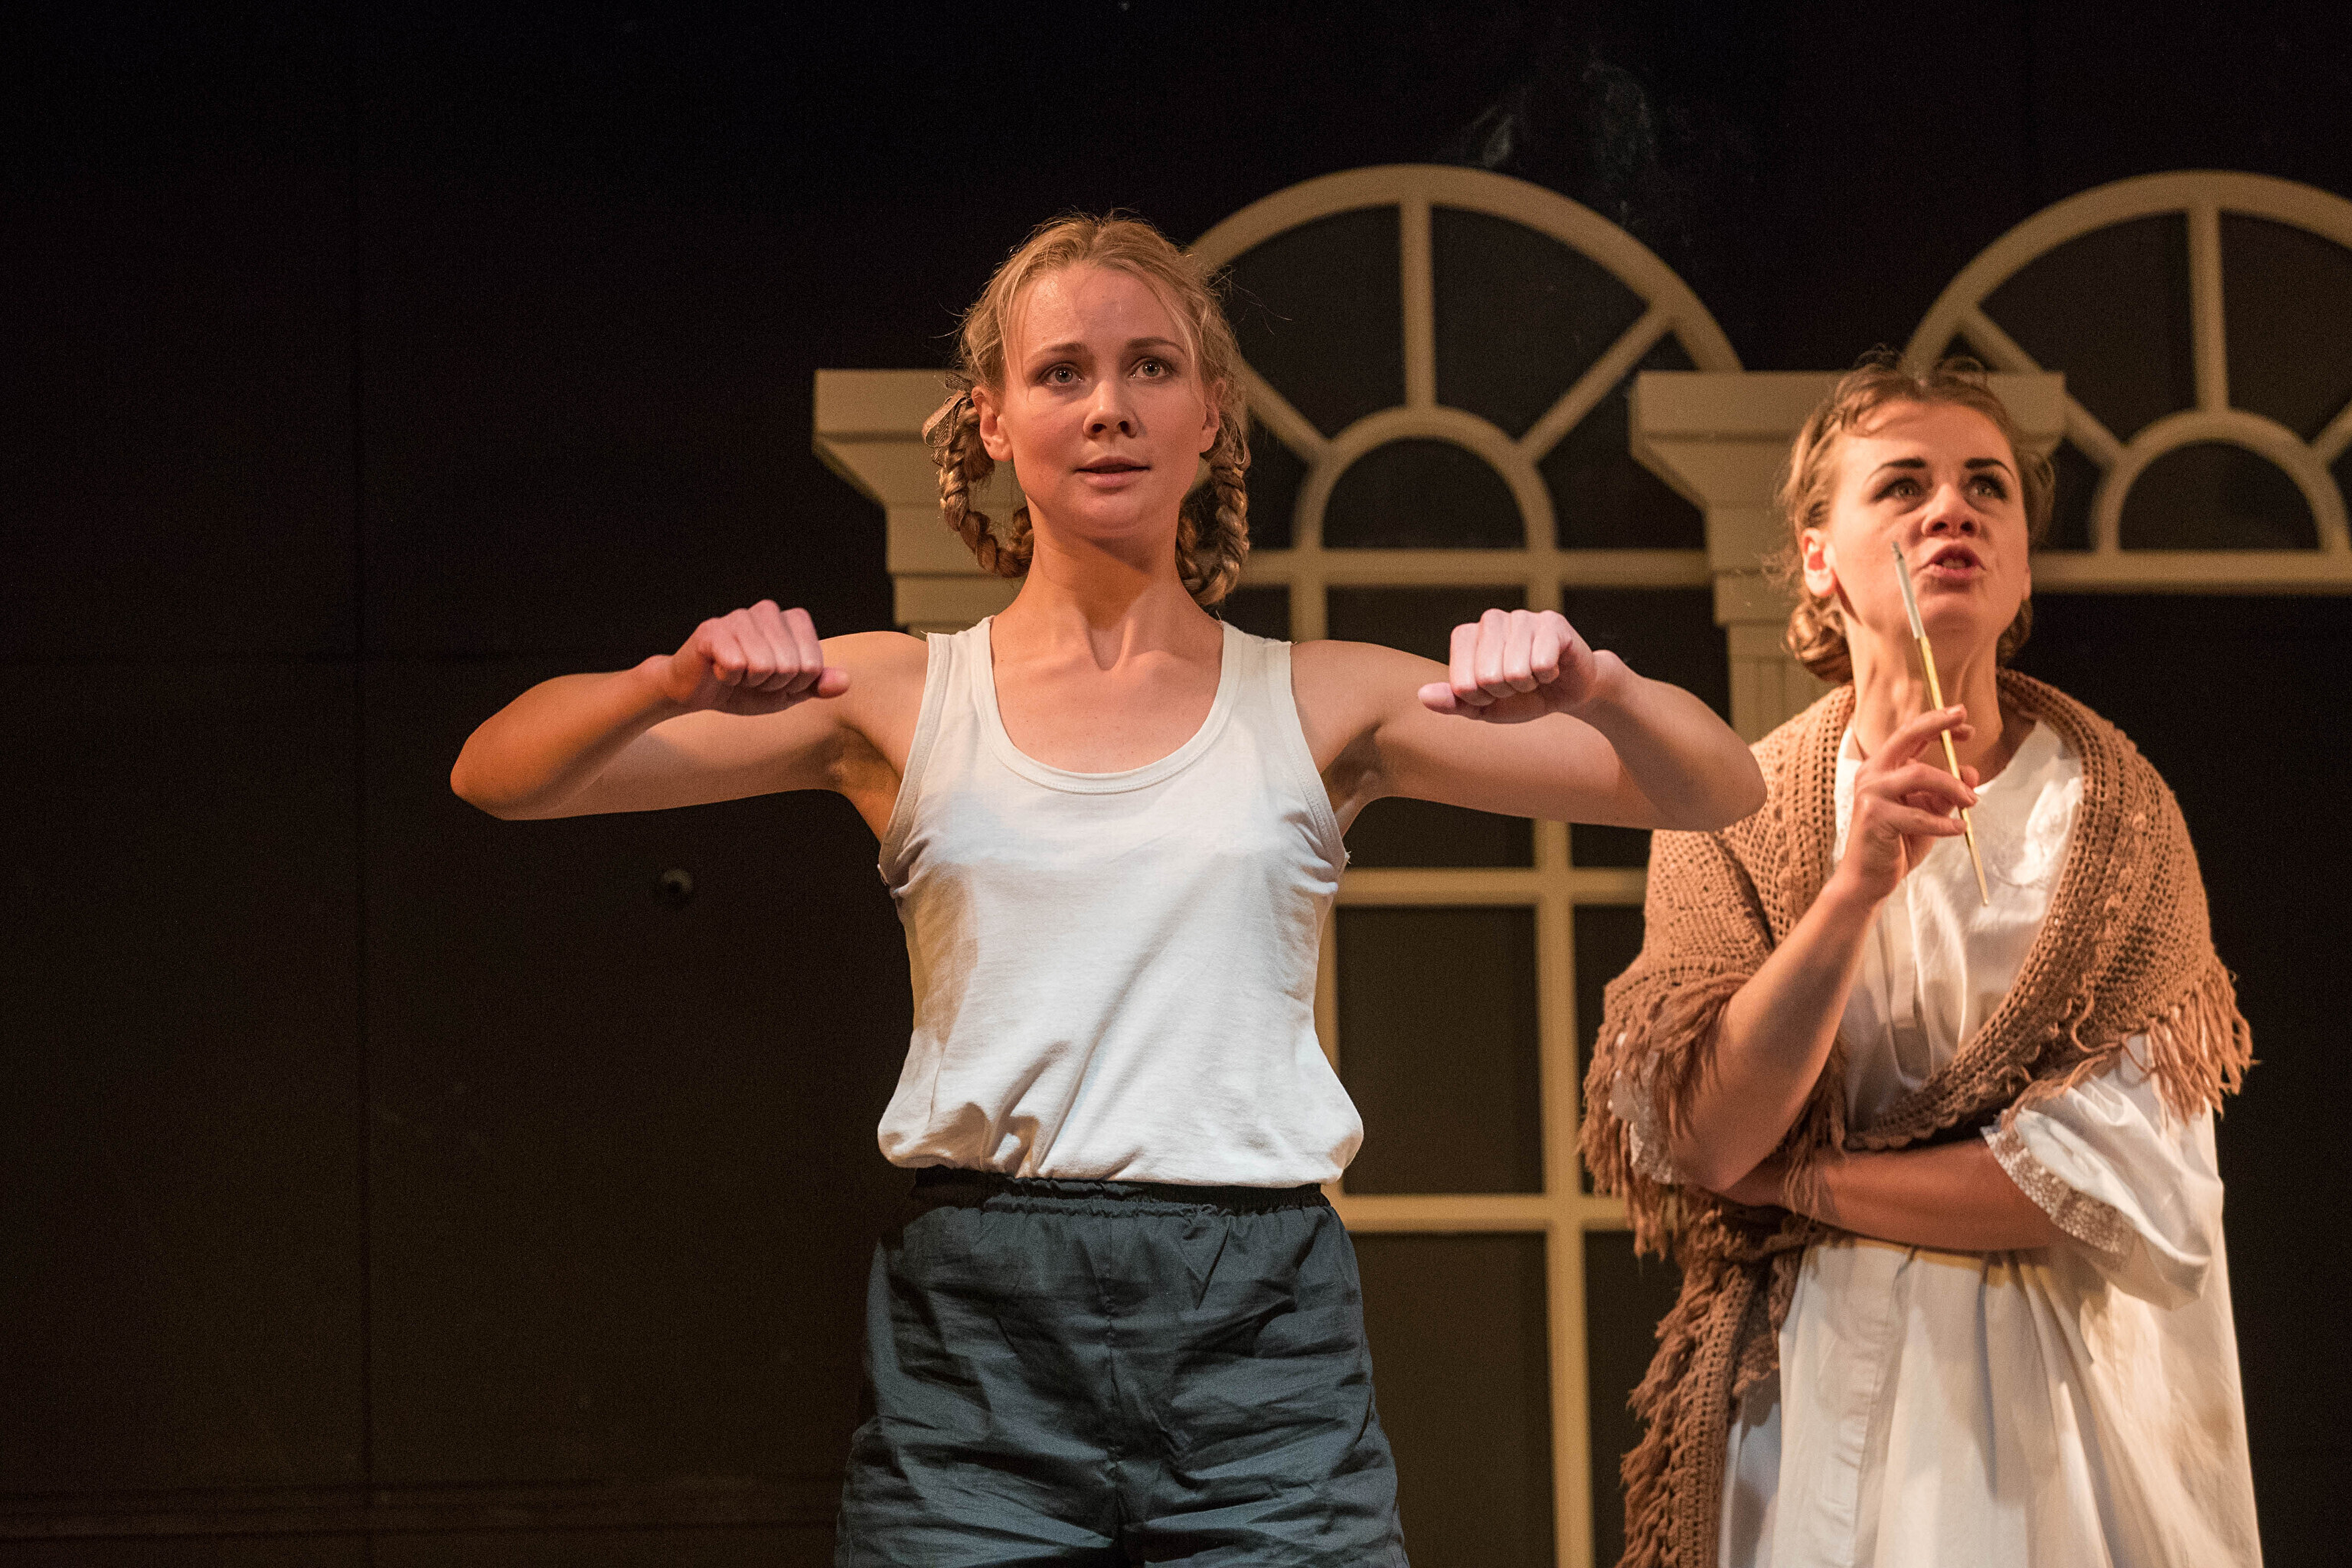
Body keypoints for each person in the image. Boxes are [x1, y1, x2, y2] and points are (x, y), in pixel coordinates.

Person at [452, 212, 1764, 1566]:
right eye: (1061, 372)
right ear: (994, 420)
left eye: (1150, 367)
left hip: (1259, 1331)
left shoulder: (1319, 699)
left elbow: (1716, 789)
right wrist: (664, 683)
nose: (1108, 408)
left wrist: (1600, 685)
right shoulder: (899, 693)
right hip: (983, 1330)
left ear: (1211, 413)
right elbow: (502, 775)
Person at [1582, 356, 2261, 1567]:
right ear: (1818, 559)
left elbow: (2132, 1184)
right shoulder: (1730, 814)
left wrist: (1802, 1183)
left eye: (1987, 486)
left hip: (2062, 1406)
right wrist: (1853, 888)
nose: (1954, 509)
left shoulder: (2119, 819)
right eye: (1903, 485)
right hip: (1812, 1386)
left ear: (2022, 565)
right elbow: (1704, 1135)